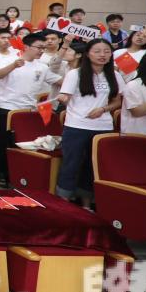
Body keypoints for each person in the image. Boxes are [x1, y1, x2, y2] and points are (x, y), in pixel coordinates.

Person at [56, 40, 124, 206]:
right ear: (87, 54)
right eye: (97, 51)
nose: (102, 55)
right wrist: (63, 98)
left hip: (103, 126)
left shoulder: (115, 75)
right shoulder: (75, 74)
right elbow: (66, 97)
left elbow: (117, 102)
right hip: (76, 126)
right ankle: (62, 201)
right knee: (71, 164)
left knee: (92, 166)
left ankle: (86, 203)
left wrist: (103, 109)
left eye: (106, 51)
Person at [0, 32, 62, 187]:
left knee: (23, 142)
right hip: (8, 108)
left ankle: (16, 173)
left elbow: (59, 81)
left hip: (29, 110)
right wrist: (13, 66)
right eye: (39, 47)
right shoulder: (10, 60)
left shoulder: (42, 67)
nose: (41, 51)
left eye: (43, 48)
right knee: (5, 142)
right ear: (27, 47)